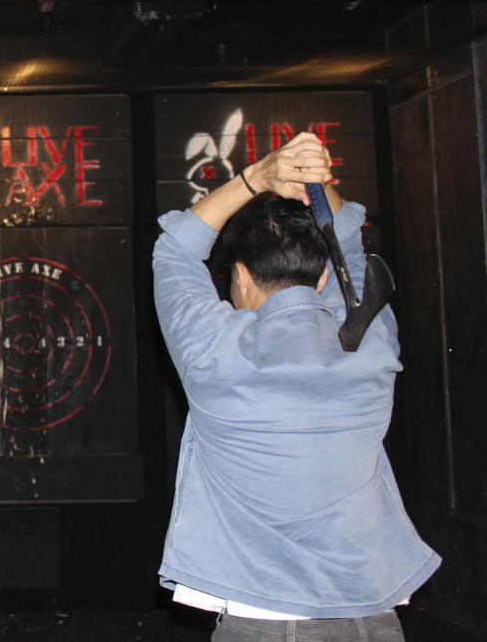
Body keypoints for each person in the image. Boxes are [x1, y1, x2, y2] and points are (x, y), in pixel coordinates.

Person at [152, 132, 439, 641]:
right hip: (372, 621)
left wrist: (256, 177)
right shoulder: (372, 344)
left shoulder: (213, 352)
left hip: (261, 624)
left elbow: (176, 250)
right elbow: (348, 236)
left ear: (240, 277)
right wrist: (314, 175)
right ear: (326, 279)